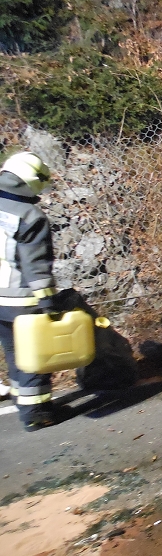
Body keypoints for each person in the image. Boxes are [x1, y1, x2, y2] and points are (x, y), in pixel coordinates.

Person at [0, 152, 62, 431]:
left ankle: (22, 402)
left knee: (12, 352)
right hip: (19, 299)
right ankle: (36, 413)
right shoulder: (30, 215)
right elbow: (35, 266)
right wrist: (49, 302)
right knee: (34, 355)